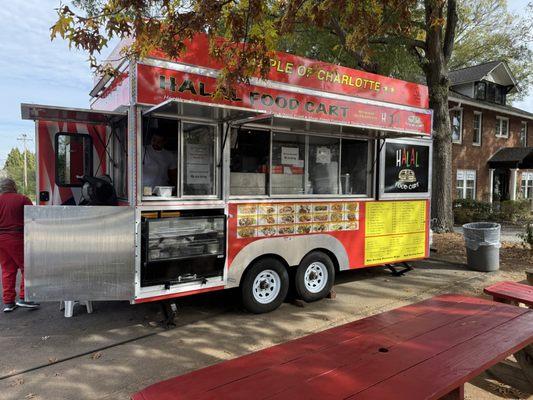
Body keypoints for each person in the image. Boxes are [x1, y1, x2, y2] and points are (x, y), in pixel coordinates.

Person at [0, 178, 39, 312]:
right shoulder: (22, 199)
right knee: (27, 267)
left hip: (1, 240)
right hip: (17, 237)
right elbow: (33, 216)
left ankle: (8, 302)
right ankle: (25, 298)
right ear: (14, 187)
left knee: (7, 270)